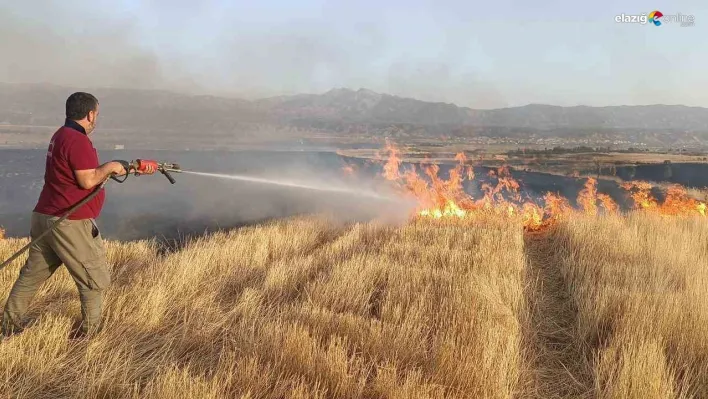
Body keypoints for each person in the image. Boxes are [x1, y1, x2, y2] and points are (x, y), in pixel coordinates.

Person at [1, 92, 155, 338]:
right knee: (94, 281)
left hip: (45, 216)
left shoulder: (60, 135)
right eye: (97, 115)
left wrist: (128, 167)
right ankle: (91, 336)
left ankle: (10, 325)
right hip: (68, 222)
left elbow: (80, 174)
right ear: (90, 114)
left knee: (31, 275)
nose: (96, 120)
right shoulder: (77, 140)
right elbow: (87, 180)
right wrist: (111, 166)